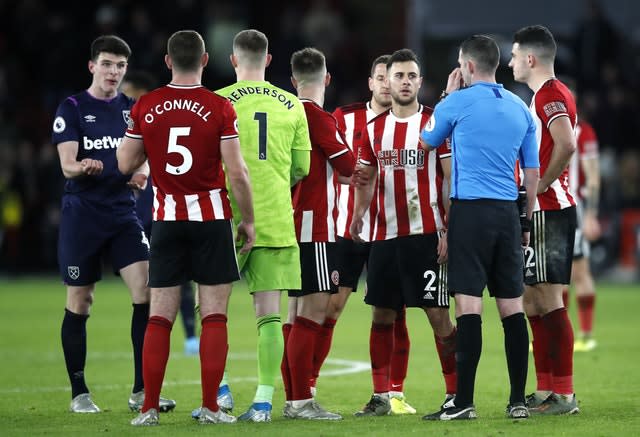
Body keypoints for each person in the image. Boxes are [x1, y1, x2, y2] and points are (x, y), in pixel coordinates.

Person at [117, 29, 255, 426]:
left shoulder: (146, 105)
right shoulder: (218, 107)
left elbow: (125, 163)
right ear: (206, 60)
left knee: (159, 317)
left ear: (167, 61)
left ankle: (148, 409)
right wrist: (247, 220)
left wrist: (147, 149)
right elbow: (238, 173)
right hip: (210, 220)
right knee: (214, 316)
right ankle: (211, 408)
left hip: (166, 221)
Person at [52, 34, 175, 414]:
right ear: (92, 66)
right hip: (83, 215)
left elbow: (149, 156)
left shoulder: (132, 109)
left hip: (122, 214)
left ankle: (141, 390)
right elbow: (67, 164)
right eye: (106, 64)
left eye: (120, 66)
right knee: (80, 300)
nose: (113, 72)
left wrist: (142, 171)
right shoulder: (71, 107)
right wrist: (84, 167)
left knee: (147, 293)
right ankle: (79, 393)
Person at [420, 34, 539, 421]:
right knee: (511, 306)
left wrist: (445, 96)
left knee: (468, 304)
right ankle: (518, 401)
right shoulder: (521, 107)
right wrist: (524, 219)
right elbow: (532, 172)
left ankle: (464, 402)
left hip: (470, 212)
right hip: (508, 214)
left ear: (468, 67)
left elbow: (426, 141)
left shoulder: (457, 101)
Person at [310, 55, 428, 415]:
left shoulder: (412, 123)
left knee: (396, 311)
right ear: (373, 82)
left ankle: (394, 393)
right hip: (346, 228)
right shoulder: (344, 118)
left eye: (388, 78)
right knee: (330, 307)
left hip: (388, 230)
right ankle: (307, 388)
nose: (384, 84)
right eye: (380, 78)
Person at [349, 48, 456, 417]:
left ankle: (455, 394)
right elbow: (366, 177)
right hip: (384, 236)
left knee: (438, 316)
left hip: (427, 235)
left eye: (412, 76)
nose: (405, 82)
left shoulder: (435, 124)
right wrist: (358, 214)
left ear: (420, 82)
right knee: (382, 315)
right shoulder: (373, 129)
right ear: (387, 81)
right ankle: (382, 395)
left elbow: (449, 179)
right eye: (399, 76)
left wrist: (448, 229)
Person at [213, 29, 312, 422]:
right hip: (272, 217)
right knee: (269, 315)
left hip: (221, 220)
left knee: (213, 313)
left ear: (234, 60)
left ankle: (218, 394)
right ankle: (263, 401)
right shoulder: (292, 104)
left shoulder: (216, 101)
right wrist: (271, 180)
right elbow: (302, 167)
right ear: (268, 61)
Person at [280, 47, 354, 421]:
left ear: (293, 82)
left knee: (294, 314)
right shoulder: (318, 117)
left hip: (286, 222)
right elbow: (347, 165)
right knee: (313, 312)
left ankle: (293, 399)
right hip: (314, 224)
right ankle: (301, 401)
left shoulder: (282, 112)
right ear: (326, 79)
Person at [509, 25, 579, 415]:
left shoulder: (550, 94)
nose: (511, 61)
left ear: (531, 59)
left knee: (548, 300)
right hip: (544, 208)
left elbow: (567, 143)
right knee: (533, 300)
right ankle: (546, 389)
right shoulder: (544, 95)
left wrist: (537, 189)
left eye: (516, 55)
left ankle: (564, 394)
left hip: (549, 210)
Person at [121, 71, 200, 358]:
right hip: (138, 212)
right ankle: (157, 341)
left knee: (179, 275)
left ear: (142, 92)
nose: (124, 99)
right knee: (150, 281)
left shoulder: (156, 120)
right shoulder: (130, 124)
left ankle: (190, 335)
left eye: (128, 93)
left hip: (164, 208)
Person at [564, 83, 601, 352]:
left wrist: (590, 215)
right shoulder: (545, 128)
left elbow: (595, 178)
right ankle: (559, 334)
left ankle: (586, 334)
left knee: (579, 271)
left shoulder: (583, 132)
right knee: (552, 274)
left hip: (574, 210)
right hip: (550, 208)